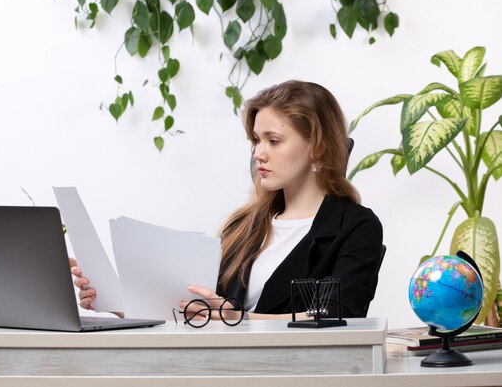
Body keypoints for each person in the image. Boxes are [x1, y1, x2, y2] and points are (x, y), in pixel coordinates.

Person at [71, 80, 383, 321]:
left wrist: (239, 319)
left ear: (317, 147)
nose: (259, 153)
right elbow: (200, 314)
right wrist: (118, 305)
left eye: (273, 141)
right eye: (257, 140)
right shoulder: (244, 227)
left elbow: (338, 316)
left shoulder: (356, 227)